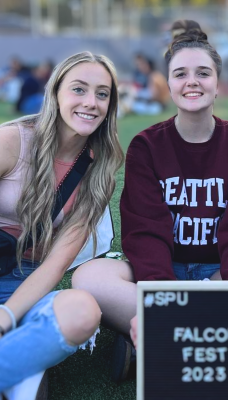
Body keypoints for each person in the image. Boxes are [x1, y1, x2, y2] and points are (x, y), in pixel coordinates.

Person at [72, 25, 228, 383]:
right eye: (180, 74)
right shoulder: (146, 146)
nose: (192, 82)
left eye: (203, 73)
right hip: (158, 270)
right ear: (168, 84)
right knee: (89, 278)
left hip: (221, 274)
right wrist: (161, 294)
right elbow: (144, 230)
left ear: (218, 83)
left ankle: (156, 339)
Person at [0, 51, 124, 394]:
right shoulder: (11, 142)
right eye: (79, 89)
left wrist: (6, 317)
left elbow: (54, 267)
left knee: (83, 311)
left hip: (26, 285)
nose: (91, 102)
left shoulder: (99, 174)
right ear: (56, 93)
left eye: (102, 94)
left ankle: (16, 364)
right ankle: (21, 370)